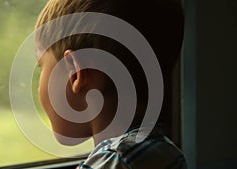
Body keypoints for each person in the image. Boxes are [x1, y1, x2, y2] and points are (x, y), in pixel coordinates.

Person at [35, 0, 186, 168]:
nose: (38, 87)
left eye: (41, 65)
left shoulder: (117, 160)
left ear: (75, 73)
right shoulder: (159, 151)